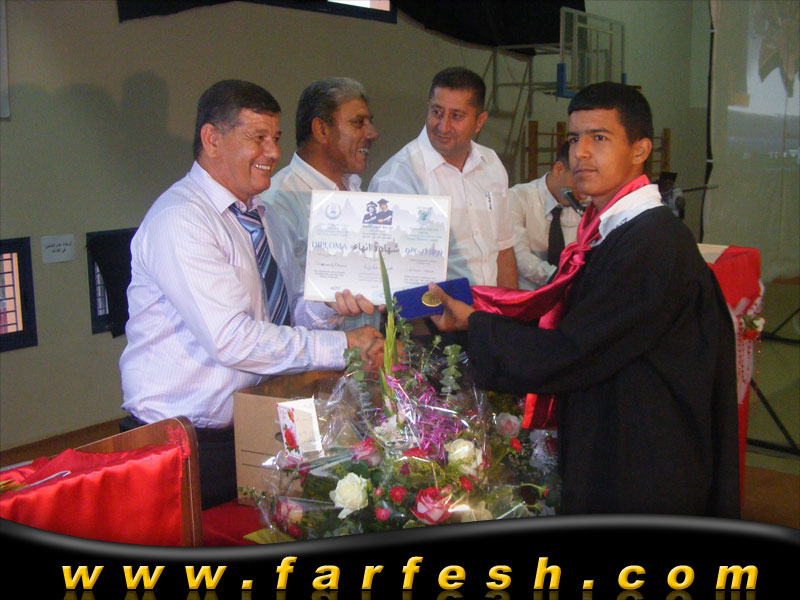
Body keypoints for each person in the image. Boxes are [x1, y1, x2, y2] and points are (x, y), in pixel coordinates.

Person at [427, 81, 740, 517]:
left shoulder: (653, 243)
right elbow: (575, 327)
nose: (581, 153)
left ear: (640, 149)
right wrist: (478, 319)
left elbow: (575, 348)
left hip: (644, 461)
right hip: (618, 439)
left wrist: (477, 325)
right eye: (574, 139)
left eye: (600, 137)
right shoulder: (613, 231)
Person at [119, 80, 384, 509]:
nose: (273, 152)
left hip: (256, 418)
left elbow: (285, 315)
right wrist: (342, 346)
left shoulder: (264, 217)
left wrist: (328, 304)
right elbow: (232, 339)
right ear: (212, 140)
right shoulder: (181, 219)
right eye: (258, 137)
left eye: (276, 138)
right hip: (184, 443)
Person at [368, 66, 517, 288]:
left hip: (490, 306)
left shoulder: (491, 163)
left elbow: (503, 250)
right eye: (437, 112)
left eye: (456, 116)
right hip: (434, 308)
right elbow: (391, 275)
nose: (443, 126)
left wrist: (509, 307)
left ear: (479, 121)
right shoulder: (398, 178)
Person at [262, 77, 381, 330]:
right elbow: (278, 315)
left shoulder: (356, 190)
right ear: (321, 130)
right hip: (318, 355)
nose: (372, 133)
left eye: (369, 122)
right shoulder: (277, 203)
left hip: (372, 349)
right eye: (358, 123)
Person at [509, 141, 586, 289]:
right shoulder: (517, 197)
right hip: (528, 295)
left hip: (570, 292)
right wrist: (558, 278)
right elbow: (517, 256)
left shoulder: (585, 205)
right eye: (579, 180)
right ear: (559, 169)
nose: (583, 194)